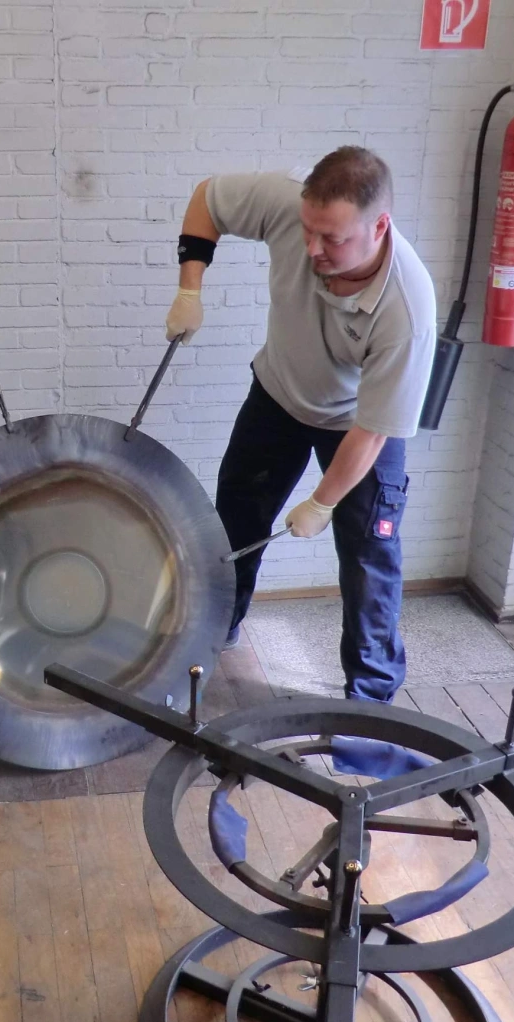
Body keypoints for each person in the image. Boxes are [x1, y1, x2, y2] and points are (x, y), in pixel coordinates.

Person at [166, 146, 435, 703]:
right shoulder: (289, 201)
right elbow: (207, 199)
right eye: (308, 230)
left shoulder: (407, 309)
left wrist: (322, 500)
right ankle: (217, 630)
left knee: (368, 555)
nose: (312, 248)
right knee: (236, 521)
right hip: (279, 393)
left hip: (356, 423)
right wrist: (190, 288)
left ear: (379, 227)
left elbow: (375, 430)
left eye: (331, 238)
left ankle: (371, 699)